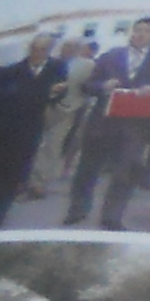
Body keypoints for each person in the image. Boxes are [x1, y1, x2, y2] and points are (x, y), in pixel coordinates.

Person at [69, 16, 150, 230]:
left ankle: (112, 216)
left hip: (136, 126)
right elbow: (88, 85)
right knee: (88, 168)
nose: (140, 34)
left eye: (146, 31)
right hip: (102, 122)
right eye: (137, 30)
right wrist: (103, 86)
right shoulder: (111, 55)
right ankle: (77, 210)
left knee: (126, 172)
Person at [0, 35, 65, 230]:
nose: (37, 54)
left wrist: (55, 94)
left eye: (43, 50)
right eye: (35, 49)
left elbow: (56, 95)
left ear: (48, 52)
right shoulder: (10, 70)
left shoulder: (55, 69)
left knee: (13, 175)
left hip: (27, 132)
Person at [29, 34, 96, 202]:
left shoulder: (88, 65)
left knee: (53, 146)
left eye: (72, 47)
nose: (67, 49)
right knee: (32, 143)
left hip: (68, 110)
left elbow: (91, 86)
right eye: (66, 46)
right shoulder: (50, 61)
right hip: (43, 107)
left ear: (79, 49)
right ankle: (23, 177)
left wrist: (82, 103)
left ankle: (39, 183)